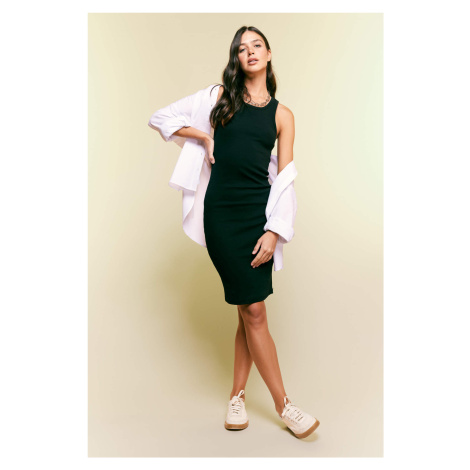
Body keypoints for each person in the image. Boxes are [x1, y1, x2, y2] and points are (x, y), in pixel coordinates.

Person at [149, 26, 320, 439]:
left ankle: (236, 396)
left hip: (258, 217)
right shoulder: (218, 99)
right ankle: (286, 406)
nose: (250, 52)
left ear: (268, 53)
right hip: (223, 216)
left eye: (256, 45)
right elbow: (161, 117)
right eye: (242, 49)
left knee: (248, 310)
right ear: (237, 59)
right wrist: (203, 136)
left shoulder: (282, 115)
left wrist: (275, 231)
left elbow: (285, 179)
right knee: (254, 309)